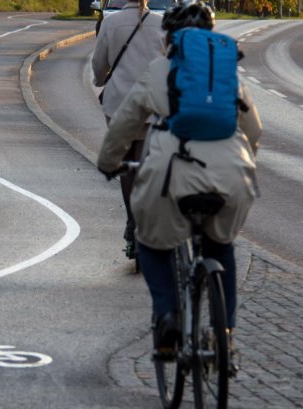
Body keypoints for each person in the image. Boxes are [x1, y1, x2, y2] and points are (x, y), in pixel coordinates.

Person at [97, 1, 262, 357]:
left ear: (168, 38)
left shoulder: (160, 70)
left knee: (151, 243)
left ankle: (168, 315)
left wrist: (109, 163)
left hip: (171, 174)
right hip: (231, 177)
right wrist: (242, 166)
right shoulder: (228, 75)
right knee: (222, 248)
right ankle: (225, 334)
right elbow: (254, 129)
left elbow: (124, 125)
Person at [92, 0, 165, 260]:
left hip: (120, 105)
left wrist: (101, 80)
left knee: (126, 167)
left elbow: (99, 64)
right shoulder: (161, 24)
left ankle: (132, 224)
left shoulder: (110, 23)